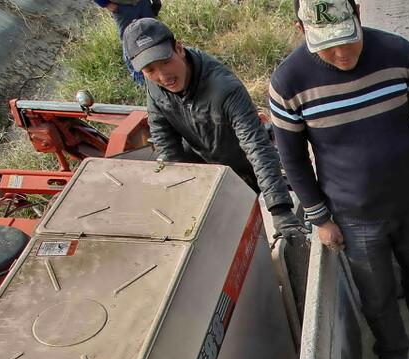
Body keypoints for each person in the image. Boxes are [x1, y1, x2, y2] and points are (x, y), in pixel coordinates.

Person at [269, 0, 409, 359]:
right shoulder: (288, 83)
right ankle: (393, 351)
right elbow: (291, 158)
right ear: (302, 30)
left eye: (348, 40)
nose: (342, 54)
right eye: (328, 45)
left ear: (358, 14)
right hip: (353, 213)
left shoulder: (398, 53)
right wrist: (320, 217)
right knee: (374, 289)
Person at [122, 19, 302, 237]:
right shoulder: (155, 88)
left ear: (179, 48)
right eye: (150, 70)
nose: (162, 76)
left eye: (165, 61)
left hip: (246, 169)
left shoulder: (224, 89)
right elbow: (166, 146)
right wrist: (183, 198)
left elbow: (256, 147)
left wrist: (280, 209)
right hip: (205, 170)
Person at [94, 0, 160, 85]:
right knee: (129, 40)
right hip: (122, 7)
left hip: (143, 3)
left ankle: (159, 65)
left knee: (153, 31)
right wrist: (107, 4)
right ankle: (141, 78)